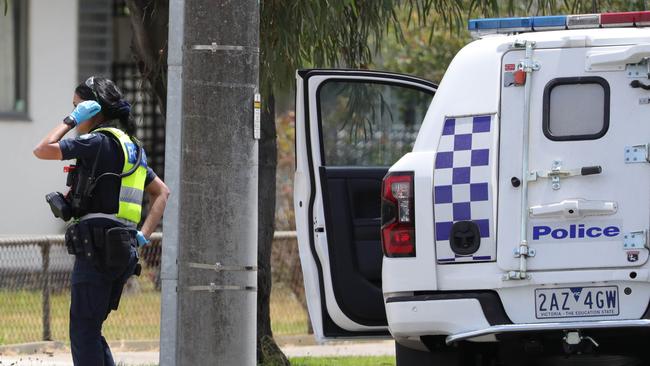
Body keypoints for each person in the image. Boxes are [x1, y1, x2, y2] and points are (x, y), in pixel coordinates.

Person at [33, 76, 170, 365]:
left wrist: (69, 120)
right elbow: (162, 193)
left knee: (83, 332)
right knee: (91, 331)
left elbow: (43, 149)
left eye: (77, 107)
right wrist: (142, 236)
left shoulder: (97, 141)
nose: (75, 112)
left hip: (96, 249)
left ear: (93, 110)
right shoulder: (133, 147)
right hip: (122, 250)